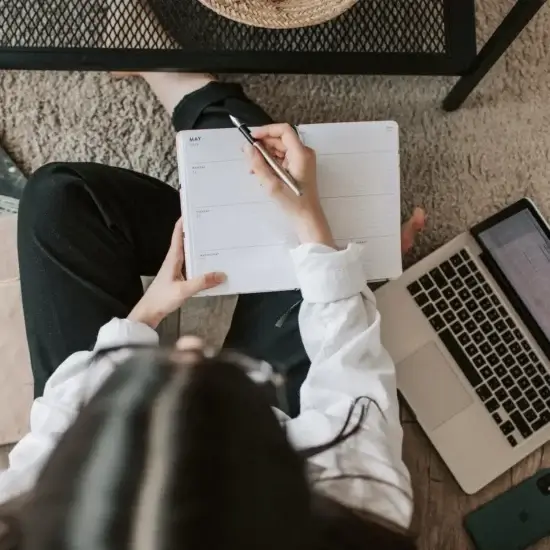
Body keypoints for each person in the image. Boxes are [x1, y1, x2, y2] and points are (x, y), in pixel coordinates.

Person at [0, 73, 425, 549]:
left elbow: (60, 421)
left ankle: (188, 94)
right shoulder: (359, 504)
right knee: (319, 243)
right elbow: (352, 376)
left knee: (60, 199)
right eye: (233, 376)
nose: (185, 342)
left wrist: (145, 315)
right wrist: (318, 231)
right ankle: (188, 88)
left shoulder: (23, 517)